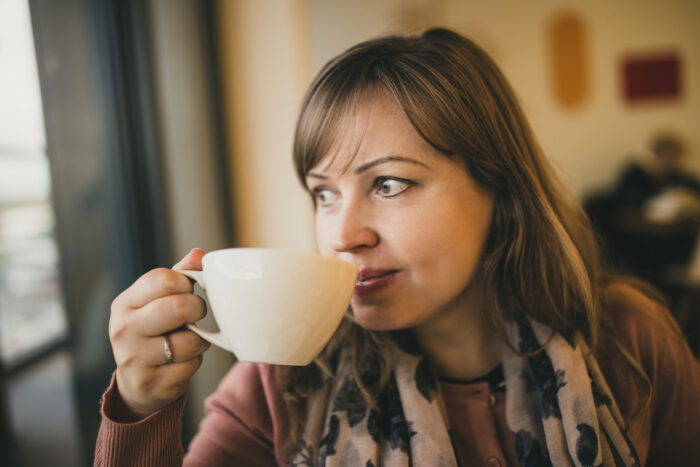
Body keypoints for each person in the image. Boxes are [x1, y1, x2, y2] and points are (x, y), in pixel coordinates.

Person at [95, 28, 700, 466]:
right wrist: (140, 408)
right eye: (324, 194)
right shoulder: (281, 387)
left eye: (389, 183)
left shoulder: (630, 343)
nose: (341, 234)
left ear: (500, 189)